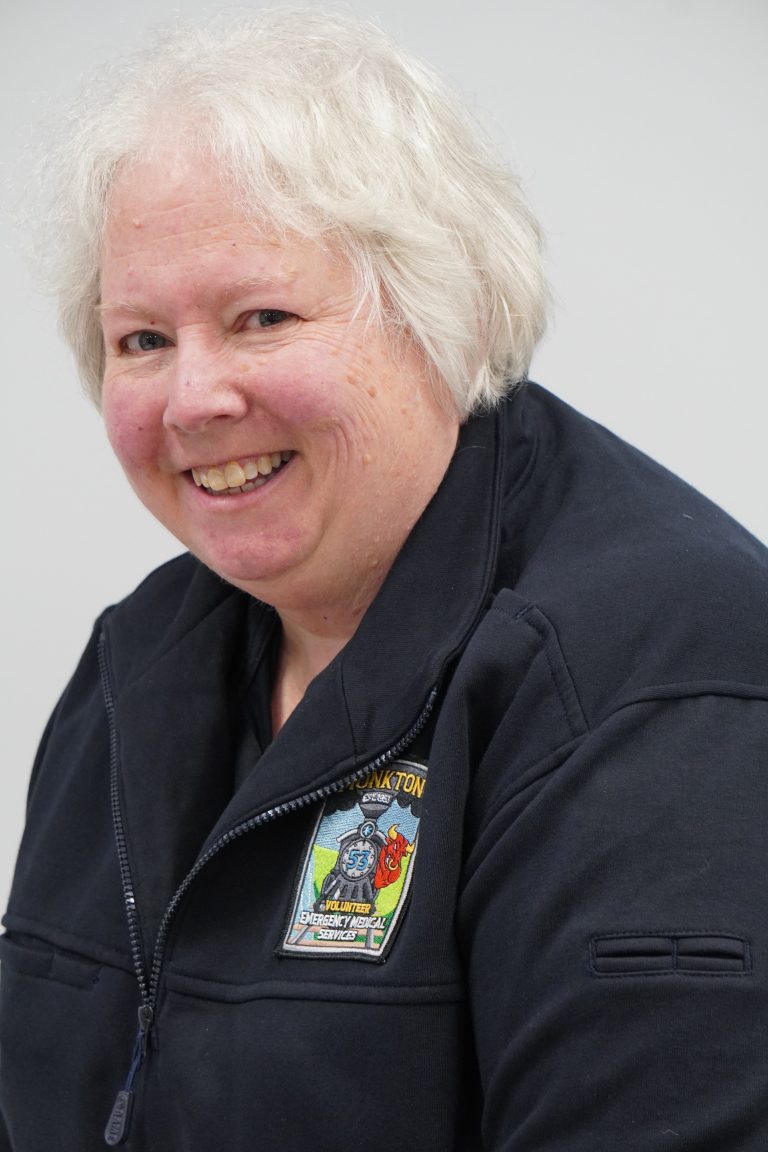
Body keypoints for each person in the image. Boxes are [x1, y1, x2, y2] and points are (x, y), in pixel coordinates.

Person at [1, 10, 767, 1151]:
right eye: (142, 339)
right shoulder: (138, 660)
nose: (191, 399)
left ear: (436, 311)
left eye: (261, 317)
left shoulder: (651, 676)